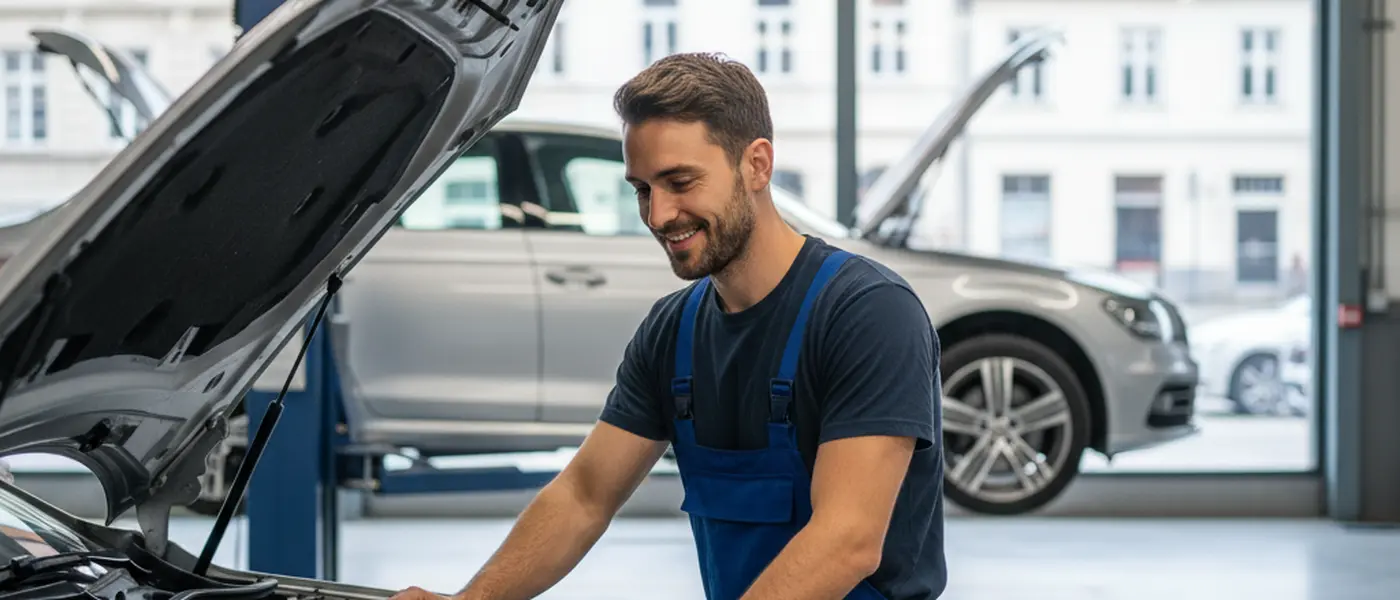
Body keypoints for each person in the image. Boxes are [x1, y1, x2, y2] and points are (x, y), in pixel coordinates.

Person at [390, 52, 946, 600]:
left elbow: (846, 541)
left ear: (757, 165)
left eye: (680, 182)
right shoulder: (673, 331)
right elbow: (583, 496)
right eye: (642, 189)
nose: (658, 215)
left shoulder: (867, 313)